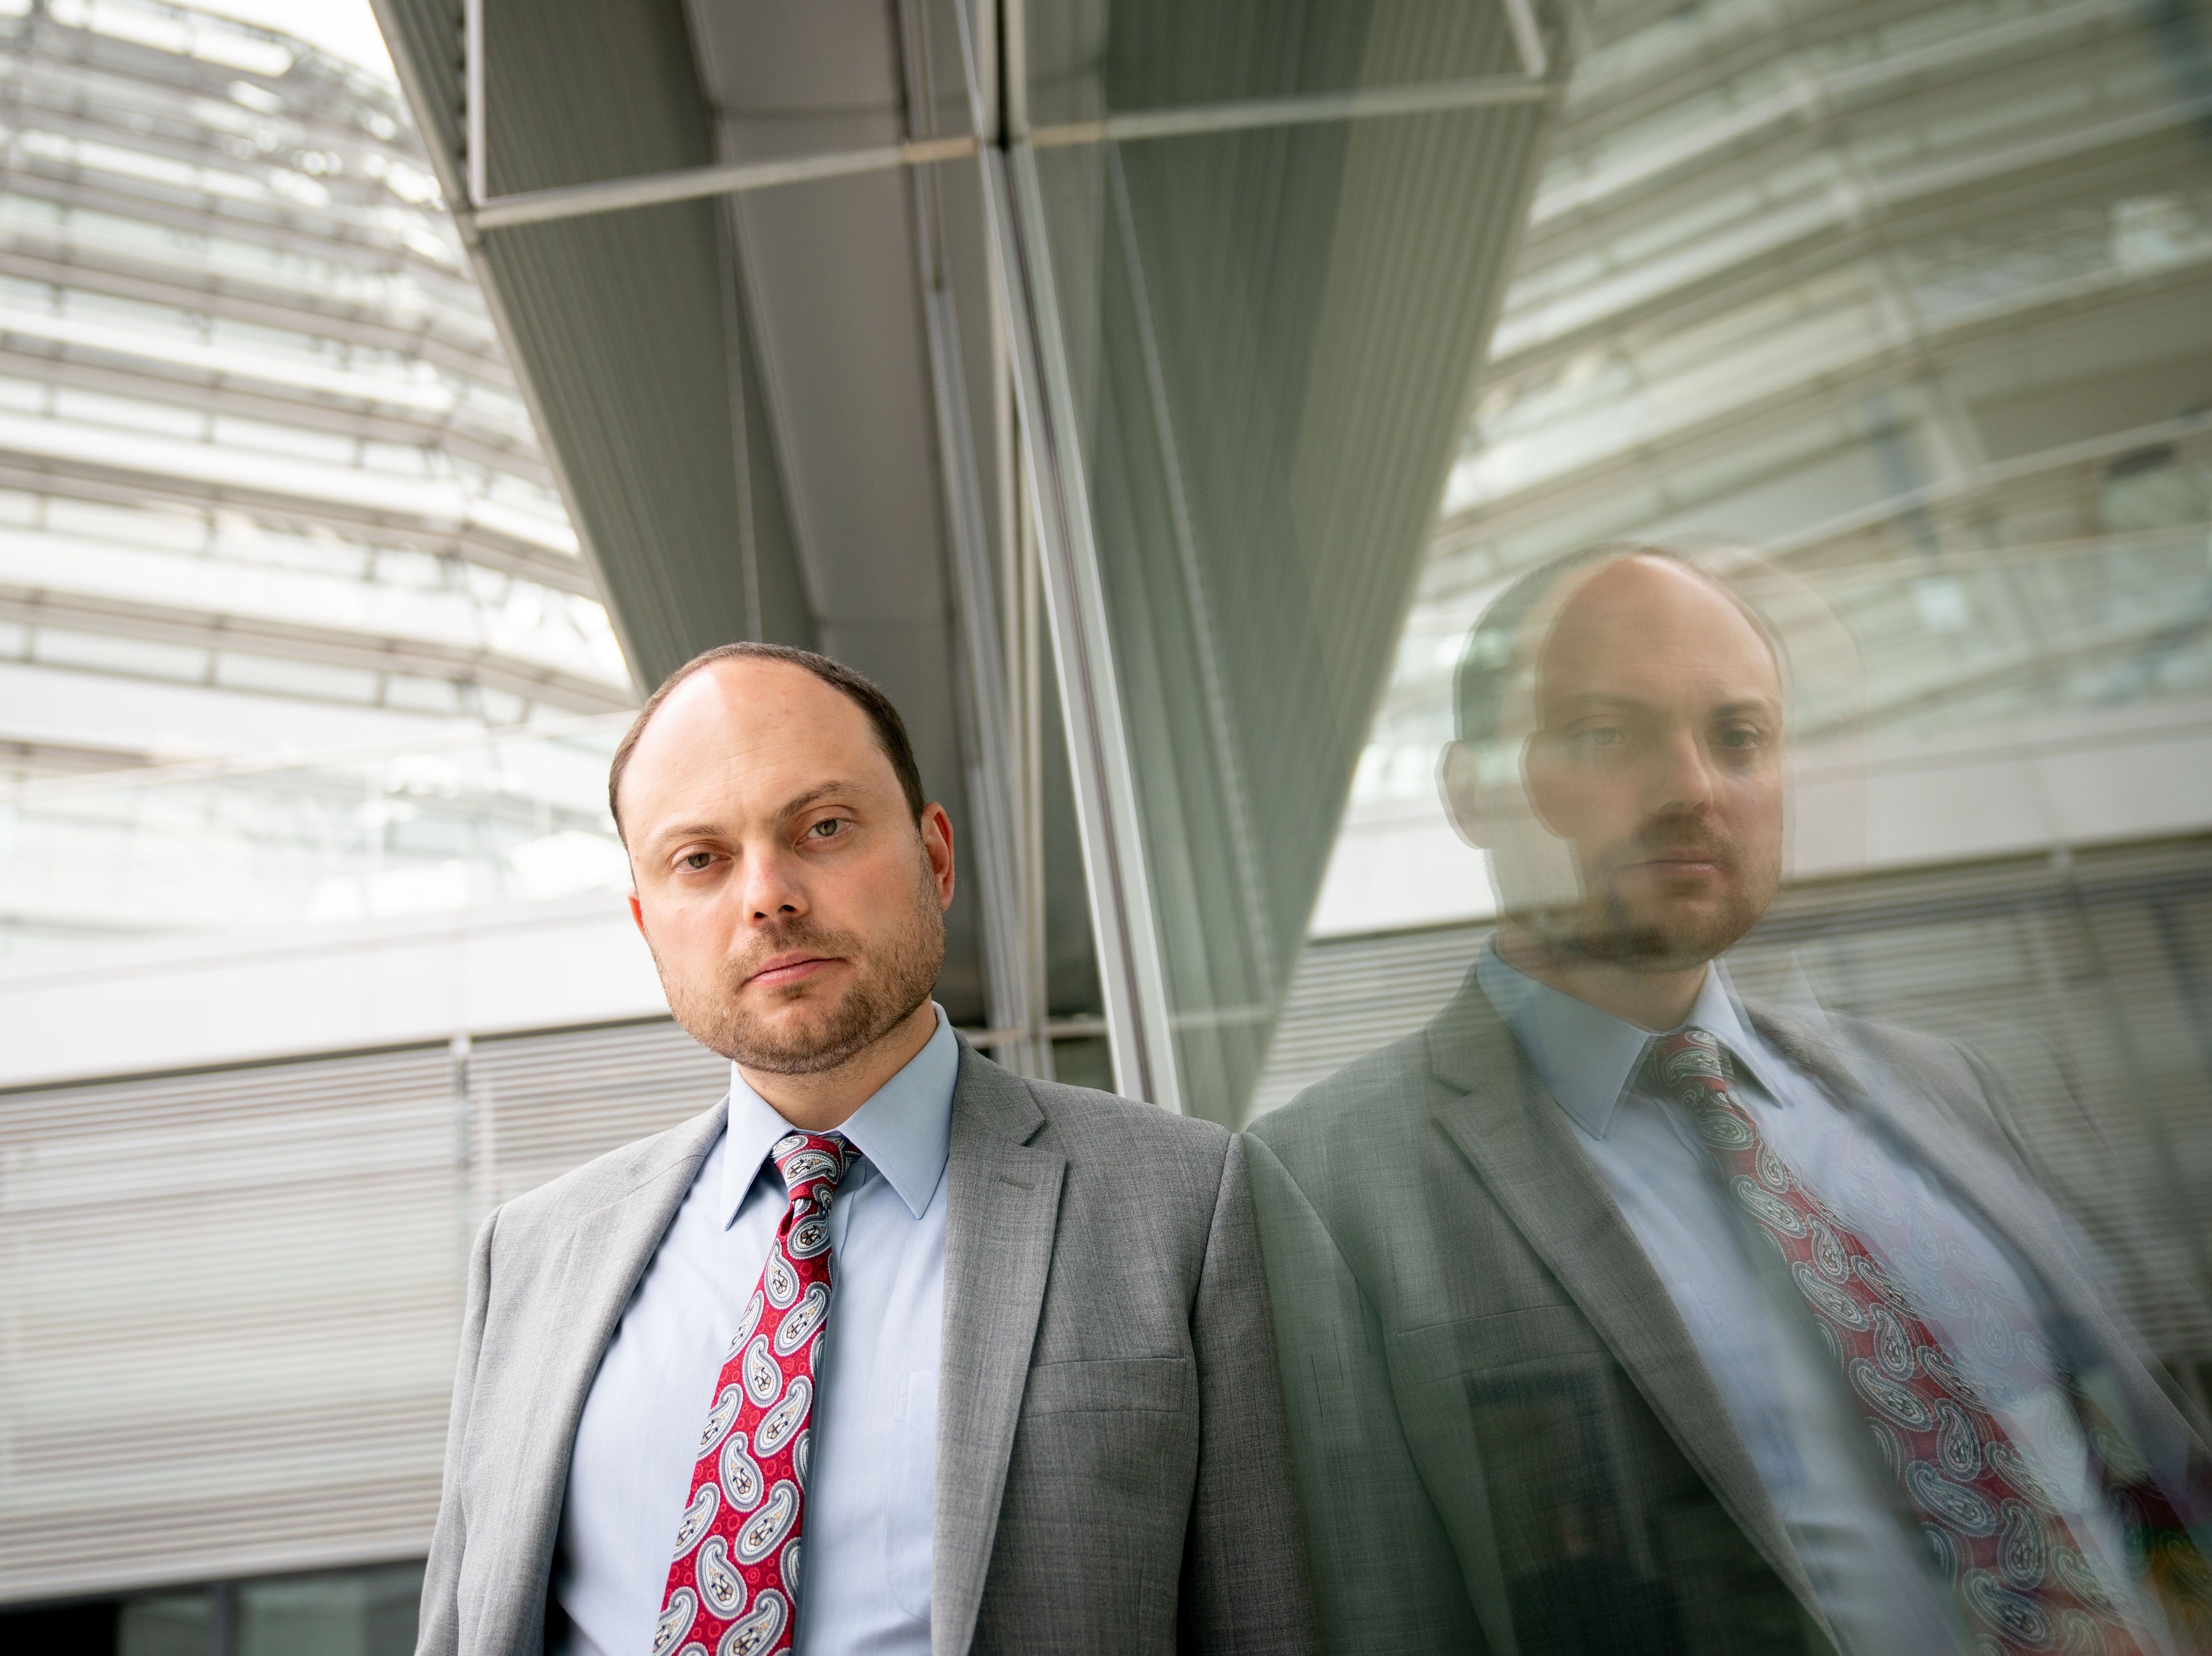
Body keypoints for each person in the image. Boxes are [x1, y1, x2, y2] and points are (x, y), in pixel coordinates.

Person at [1247, 544, 2211, 1655]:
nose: (1692, 788)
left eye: (1737, 737)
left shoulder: (1955, 1089)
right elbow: (1381, 1614)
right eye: (1606, 733)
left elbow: (2141, 1459)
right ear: (1469, 791)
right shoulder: (1324, 1183)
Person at [416, 642, 1313, 1656]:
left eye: (824, 826)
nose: (768, 895)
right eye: (700, 859)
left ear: (936, 856)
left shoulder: (1184, 1205)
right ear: (647, 924)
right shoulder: (531, 1259)